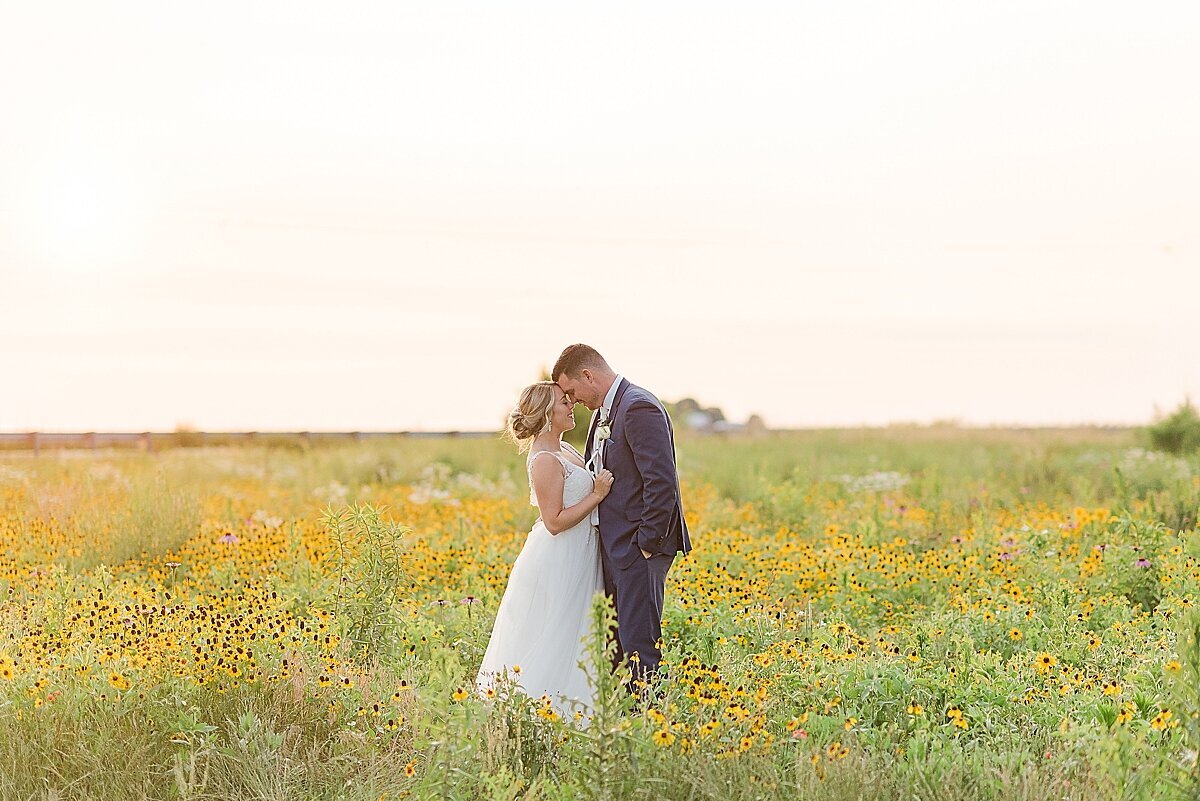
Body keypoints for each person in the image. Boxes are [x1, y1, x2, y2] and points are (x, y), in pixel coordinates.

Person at [553, 345, 692, 691]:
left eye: (571, 391)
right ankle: (624, 720)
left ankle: (648, 723)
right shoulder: (604, 413)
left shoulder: (638, 407)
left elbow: (661, 482)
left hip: (637, 549)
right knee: (617, 645)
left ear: (588, 375)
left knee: (640, 645)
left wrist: (646, 544)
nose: (574, 401)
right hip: (614, 548)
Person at [475, 381, 614, 717]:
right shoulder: (544, 459)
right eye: (563, 402)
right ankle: (539, 713)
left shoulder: (566, 450)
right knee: (557, 629)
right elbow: (553, 521)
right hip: (560, 554)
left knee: (578, 631)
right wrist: (596, 495)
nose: (571, 405)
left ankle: (578, 710)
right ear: (547, 415)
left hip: (581, 550)